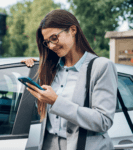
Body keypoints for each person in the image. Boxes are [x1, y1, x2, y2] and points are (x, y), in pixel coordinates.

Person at [21, 9, 117, 150]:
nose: (52, 46)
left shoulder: (101, 67)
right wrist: (32, 65)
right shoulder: (51, 68)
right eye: (47, 42)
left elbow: (103, 121)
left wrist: (56, 101)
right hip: (49, 144)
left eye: (54, 38)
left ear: (72, 30)